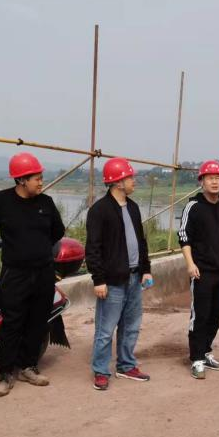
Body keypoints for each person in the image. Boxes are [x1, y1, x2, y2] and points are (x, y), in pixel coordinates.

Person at [0, 152, 66, 397]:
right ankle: (5, 373)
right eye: (37, 178)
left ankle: (28, 367)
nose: (41, 182)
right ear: (22, 180)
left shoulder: (46, 203)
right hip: (15, 274)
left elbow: (58, 231)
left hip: (44, 272)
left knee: (38, 321)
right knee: (12, 323)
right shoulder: (0, 201)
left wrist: (37, 248)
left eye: (41, 177)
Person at [85, 158, 154, 391]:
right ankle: (101, 370)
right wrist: (99, 280)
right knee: (106, 329)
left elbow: (141, 242)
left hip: (134, 278)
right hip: (112, 281)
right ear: (117, 182)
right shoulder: (99, 210)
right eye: (130, 177)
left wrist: (146, 269)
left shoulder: (133, 207)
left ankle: (126, 365)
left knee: (131, 326)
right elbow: (93, 248)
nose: (134, 181)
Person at [178, 160, 219, 380]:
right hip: (201, 272)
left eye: (218, 178)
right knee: (200, 315)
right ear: (202, 182)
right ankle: (196, 358)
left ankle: (205, 351)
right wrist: (190, 264)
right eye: (210, 178)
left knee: (216, 315)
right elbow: (184, 237)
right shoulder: (193, 207)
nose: (214, 182)